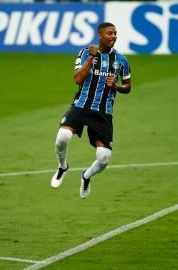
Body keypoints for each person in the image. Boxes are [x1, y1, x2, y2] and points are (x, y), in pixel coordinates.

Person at [50, 22, 131, 199]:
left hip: (103, 112)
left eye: (115, 33)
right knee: (62, 138)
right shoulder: (85, 52)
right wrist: (90, 59)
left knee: (103, 158)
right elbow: (78, 79)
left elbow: (128, 87)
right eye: (110, 33)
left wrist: (116, 86)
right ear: (100, 36)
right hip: (80, 106)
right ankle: (62, 166)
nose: (114, 36)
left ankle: (86, 176)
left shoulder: (121, 60)